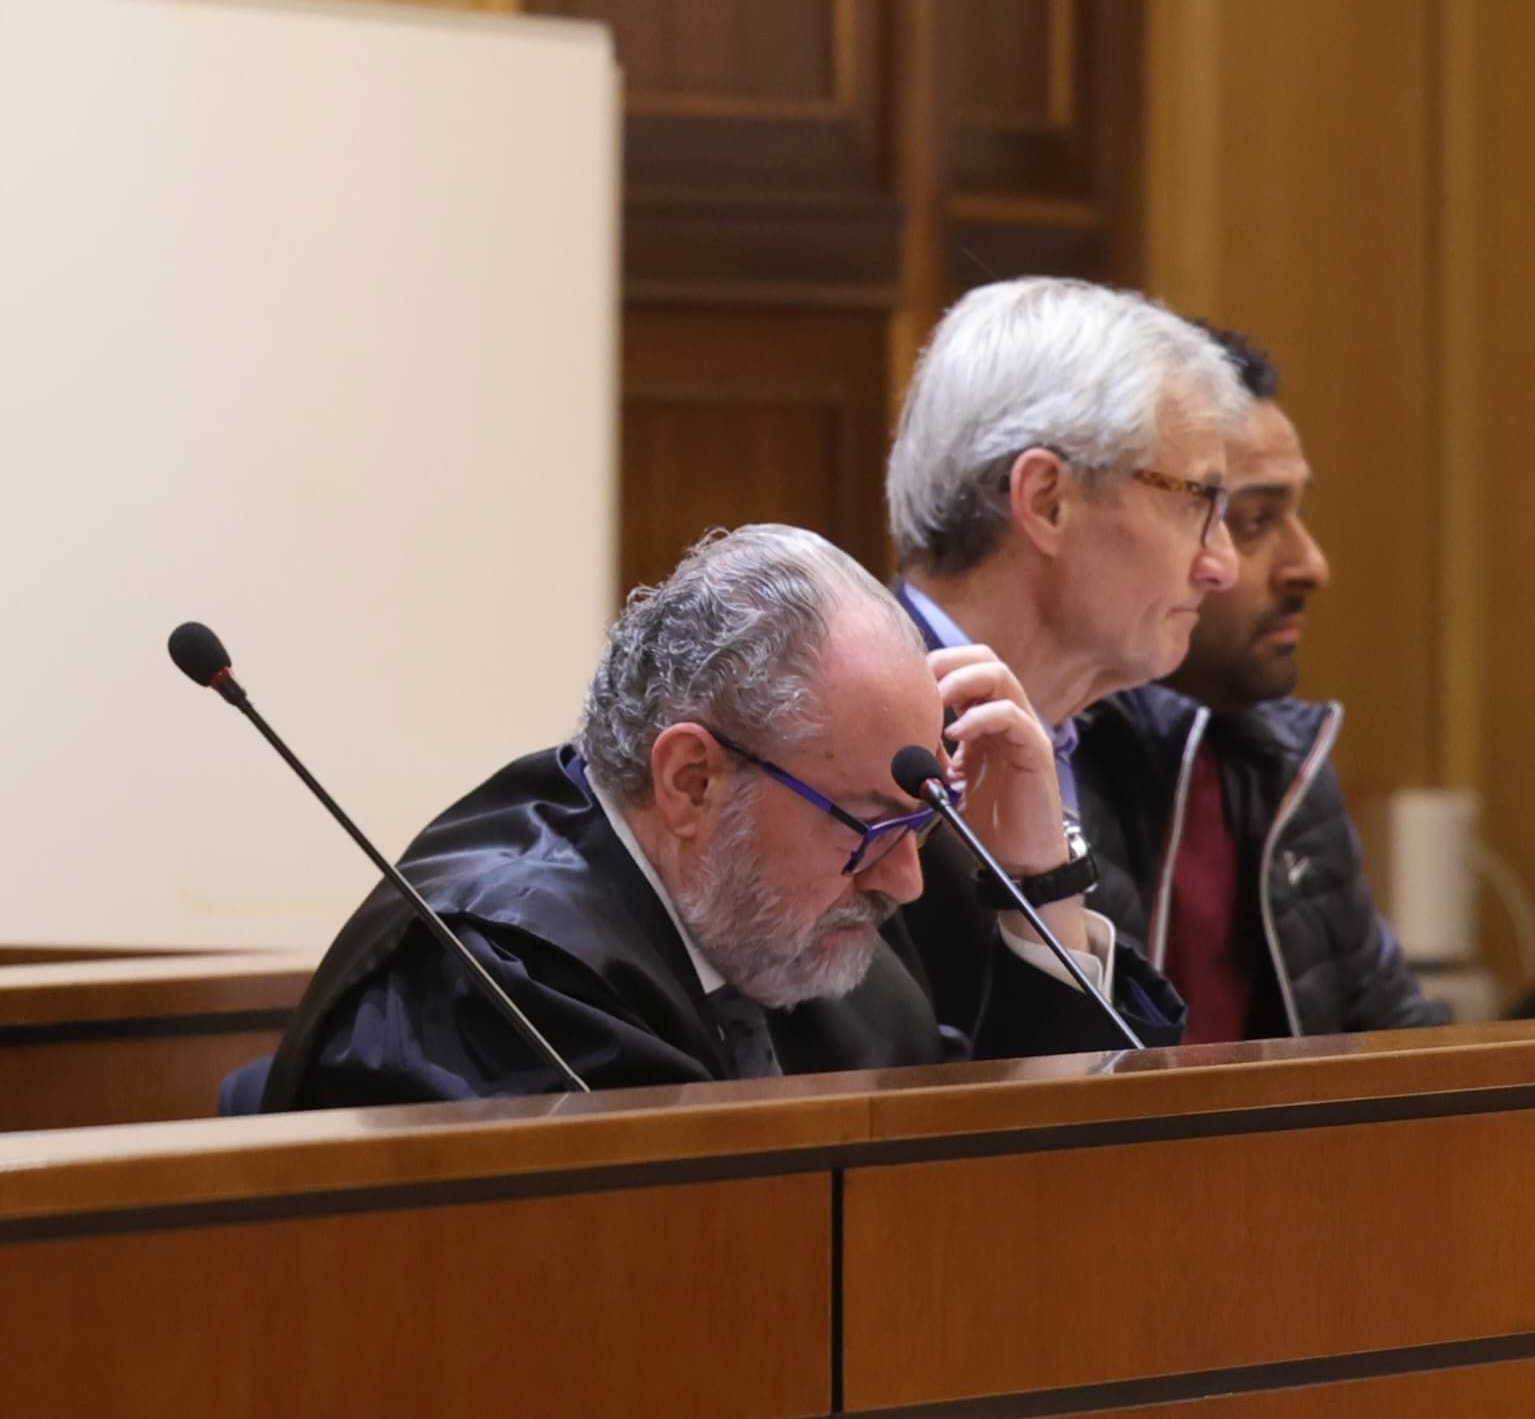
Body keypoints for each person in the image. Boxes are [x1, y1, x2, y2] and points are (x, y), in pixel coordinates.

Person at [256, 522, 1137, 1110]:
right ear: (690, 782)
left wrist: (1041, 881)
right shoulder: (499, 981)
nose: (903, 882)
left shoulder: (799, 923)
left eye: (920, 827)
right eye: (870, 824)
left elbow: (997, 1184)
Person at [882, 272, 1250, 1039]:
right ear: (1047, 499)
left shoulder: (1138, 751)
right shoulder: (844, 751)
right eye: (1196, 504)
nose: (1224, 566)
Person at [1077, 330, 1444, 1039]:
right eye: (1252, 521)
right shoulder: (1045, 759)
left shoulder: (1283, 757)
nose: (1311, 565)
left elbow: (1400, 1044)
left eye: (1295, 514)